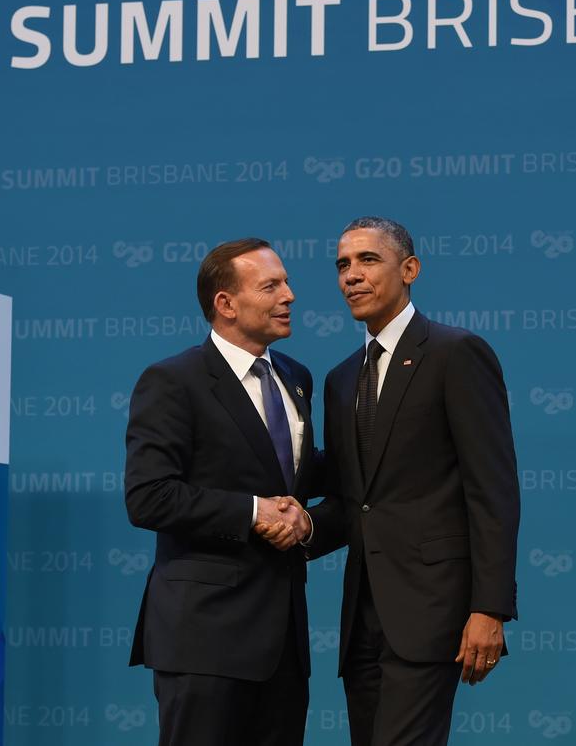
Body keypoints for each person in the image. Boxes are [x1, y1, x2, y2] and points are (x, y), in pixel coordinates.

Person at [298, 216, 521, 746]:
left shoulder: (455, 353)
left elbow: (492, 489)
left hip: (430, 612)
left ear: (410, 269)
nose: (351, 275)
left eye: (368, 260)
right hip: (362, 621)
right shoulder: (340, 378)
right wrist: (297, 528)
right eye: (342, 265)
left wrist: (489, 608)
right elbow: (356, 501)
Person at [124, 237, 318, 746]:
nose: (290, 295)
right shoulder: (173, 381)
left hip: (283, 644)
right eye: (271, 285)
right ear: (226, 304)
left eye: (287, 282)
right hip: (204, 640)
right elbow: (148, 496)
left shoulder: (297, 378)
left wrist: (303, 518)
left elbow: (296, 482)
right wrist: (254, 512)